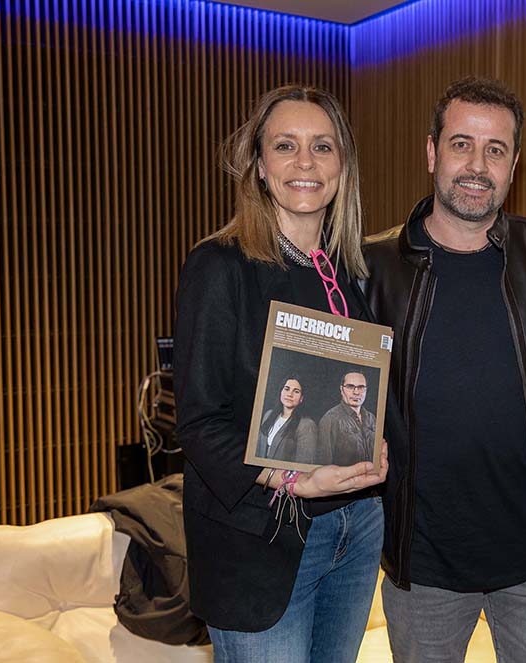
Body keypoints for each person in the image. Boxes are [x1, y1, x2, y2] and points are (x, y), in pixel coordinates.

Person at [361, 76, 526, 662]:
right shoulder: (372, 268)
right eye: (461, 144)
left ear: (515, 164)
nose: (477, 165)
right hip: (424, 568)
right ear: (432, 152)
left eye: (495, 149)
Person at [173, 85, 388, 663]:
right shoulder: (219, 266)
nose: (305, 163)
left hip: (356, 527)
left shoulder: (352, 274)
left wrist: (376, 442)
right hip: (258, 539)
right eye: (285, 145)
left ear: (342, 166)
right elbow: (198, 423)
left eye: (323, 146)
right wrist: (291, 479)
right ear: (260, 167)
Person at [318, 370, 377, 466]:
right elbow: (324, 464)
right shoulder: (330, 419)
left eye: (361, 387)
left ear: (366, 390)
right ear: (341, 389)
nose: (356, 392)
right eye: (350, 387)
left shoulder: (372, 419)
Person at [256, 376, 319, 464]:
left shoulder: (307, 425)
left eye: (296, 391)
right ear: (281, 392)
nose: (290, 394)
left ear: (301, 398)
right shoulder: (268, 415)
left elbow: (304, 463)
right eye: (286, 389)